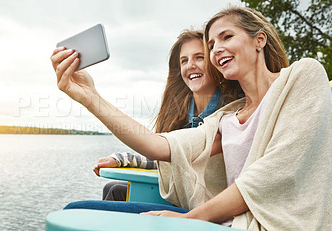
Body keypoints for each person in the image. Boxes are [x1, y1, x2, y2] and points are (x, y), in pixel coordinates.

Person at [51, 6, 332, 230]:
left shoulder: (302, 76)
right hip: (225, 221)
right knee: (75, 212)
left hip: (266, 223)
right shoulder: (226, 119)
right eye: (212, 44)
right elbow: (157, 146)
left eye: (226, 37)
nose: (217, 48)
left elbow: (271, 174)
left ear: (259, 39)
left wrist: (191, 219)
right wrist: (89, 96)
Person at [93, 29, 242, 202]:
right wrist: (122, 159)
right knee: (113, 189)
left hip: (206, 203)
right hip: (182, 194)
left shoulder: (229, 113)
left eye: (199, 57)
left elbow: (175, 152)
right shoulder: (179, 112)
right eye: (184, 60)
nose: (190, 65)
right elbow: (165, 156)